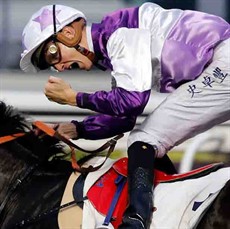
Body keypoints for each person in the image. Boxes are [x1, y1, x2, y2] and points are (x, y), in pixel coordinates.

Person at [20, 3, 230, 229]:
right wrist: (75, 129)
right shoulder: (114, 41)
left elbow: (132, 102)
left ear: (68, 34)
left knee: (145, 138)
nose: (59, 68)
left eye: (52, 55)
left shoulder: (119, 35)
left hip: (222, 63)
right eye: (48, 66)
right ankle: (170, 204)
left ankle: (136, 222)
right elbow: (124, 118)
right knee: (145, 137)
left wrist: (74, 98)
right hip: (219, 62)